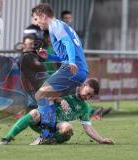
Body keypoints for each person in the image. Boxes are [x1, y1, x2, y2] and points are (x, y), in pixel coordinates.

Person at [29, 3, 89, 140]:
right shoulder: (60, 26)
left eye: (36, 19)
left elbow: (68, 43)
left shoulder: (55, 25)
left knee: (41, 95)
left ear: (43, 16)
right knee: (47, 96)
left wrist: (72, 62)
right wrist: (48, 57)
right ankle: (54, 134)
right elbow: (64, 56)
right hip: (80, 70)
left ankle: (47, 135)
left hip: (72, 68)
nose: (35, 22)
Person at [0, 79, 114, 145]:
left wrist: (101, 140)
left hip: (57, 127)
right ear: (84, 85)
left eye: (91, 96)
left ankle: (47, 140)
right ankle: (7, 137)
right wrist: (61, 99)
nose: (88, 97)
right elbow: (46, 95)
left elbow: (88, 128)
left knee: (68, 127)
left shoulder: (84, 107)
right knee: (34, 113)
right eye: (88, 93)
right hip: (44, 120)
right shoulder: (68, 89)